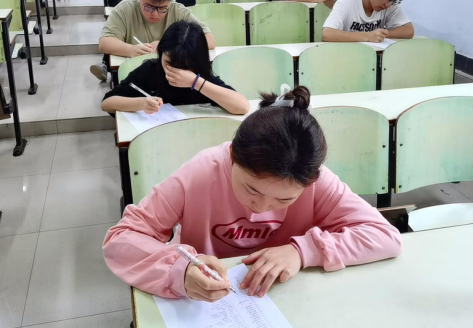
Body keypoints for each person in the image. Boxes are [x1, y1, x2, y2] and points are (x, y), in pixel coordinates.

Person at [103, 85, 403, 300]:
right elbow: (122, 239)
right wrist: (178, 270)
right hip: (207, 300)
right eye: (251, 189)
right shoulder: (200, 172)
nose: (261, 207)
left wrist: (302, 251)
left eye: (285, 199)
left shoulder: (317, 180)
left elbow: (384, 236)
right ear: (232, 156)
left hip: (284, 296)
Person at [93, 0, 216, 80]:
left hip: (171, 76)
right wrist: (131, 50)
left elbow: (209, 39)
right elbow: (105, 43)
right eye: (148, 7)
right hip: (135, 75)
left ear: (170, 1)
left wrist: (167, 46)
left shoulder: (177, 11)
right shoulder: (126, 8)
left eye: (162, 9)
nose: (155, 14)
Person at [101, 20, 249, 115]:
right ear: (160, 53)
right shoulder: (150, 70)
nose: (174, 71)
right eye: (168, 62)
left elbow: (242, 106)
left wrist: (196, 83)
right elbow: (107, 103)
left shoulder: (200, 76)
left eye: (184, 67)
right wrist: (141, 103)